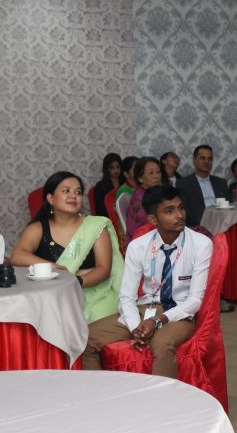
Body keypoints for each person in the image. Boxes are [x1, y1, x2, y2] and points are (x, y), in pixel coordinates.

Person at [81, 185, 212, 376]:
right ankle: (100, 391)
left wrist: (157, 320)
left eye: (181, 208)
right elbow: (126, 297)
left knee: (161, 344)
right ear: (153, 219)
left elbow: (195, 300)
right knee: (86, 338)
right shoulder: (138, 246)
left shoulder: (201, 244)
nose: (179, 215)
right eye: (169, 211)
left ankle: (163, 396)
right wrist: (136, 327)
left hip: (180, 312)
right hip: (147, 308)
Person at [11, 171, 123, 323]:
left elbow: (103, 270)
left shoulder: (96, 226)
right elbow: (17, 255)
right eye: (66, 191)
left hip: (96, 296)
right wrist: (52, 266)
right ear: (50, 198)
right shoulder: (38, 228)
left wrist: (74, 281)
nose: (73, 196)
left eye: (78, 192)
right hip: (54, 297)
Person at [177, 145, 229, 228]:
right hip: (197, 227)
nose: (207, 161)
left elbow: (228, 206)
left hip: (222, 224)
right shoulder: (184, 183)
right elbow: (184, 210)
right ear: (194, 160)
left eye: (210, 159)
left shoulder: (221, 182)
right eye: (202, 158)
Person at [125, 157, 163, 237]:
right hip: (143, 239)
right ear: (140, 178)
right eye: (151, 173)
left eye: (158, 172)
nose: (156, 176)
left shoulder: (153, 192)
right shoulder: (140, 199)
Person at [92, 153, 123, 218]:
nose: (116, 170)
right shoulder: (100, 187)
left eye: (118, 167)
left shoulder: (124, 182)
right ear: (107, 169)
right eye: (112, 168)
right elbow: (100, 210)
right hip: (108, 218)